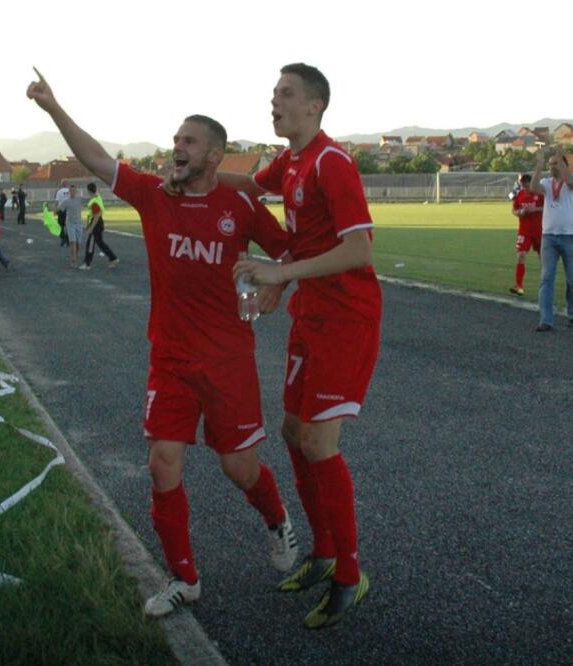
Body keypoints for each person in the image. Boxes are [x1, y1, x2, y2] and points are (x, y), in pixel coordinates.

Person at [27, 67, 299, 618]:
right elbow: (98, 160)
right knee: (161, 464)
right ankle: (184, 579)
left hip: (228, 361)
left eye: (188, 141)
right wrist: (55, 108)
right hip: (170, 359)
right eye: (175, 139)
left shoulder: (241, 205)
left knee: (239, 468)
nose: (177, 148)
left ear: (215, 155)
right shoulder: (155, 195)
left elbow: (290, 250)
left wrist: (277, 285)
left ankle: (278, 521)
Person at [212, 63, 382, 629]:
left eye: (285, 94)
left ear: (315, 106)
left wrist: (282, 273)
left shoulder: (332, 162)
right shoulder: (291, 160)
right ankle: (325, 551)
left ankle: (350, 575)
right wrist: (195, 171)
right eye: (273, 93)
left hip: (347, 318)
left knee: (316, 438)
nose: (274, 101)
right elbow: (247, 184)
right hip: (312, 314)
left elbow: (359, 250)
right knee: (292, 432)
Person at [526, 149, 573, 330]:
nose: (552, 167)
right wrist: (539, 165)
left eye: (555, 164)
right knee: (546, 278)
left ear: (564, 165)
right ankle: (545, 320)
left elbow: (571, 184)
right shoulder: (546, 182)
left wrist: (562, 163)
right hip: (549, 236)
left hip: (570, 236)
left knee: (572, 279)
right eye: (550, 164)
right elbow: (534, 187)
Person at [509, 172, 543, 295]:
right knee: (521, 255)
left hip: (539, 230)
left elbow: (549, 207)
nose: (525, 189)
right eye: (523, 186)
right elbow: (514, 209)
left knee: (543, 258)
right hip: (524, 231)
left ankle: (545, 285)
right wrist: (519, 212)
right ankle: (519, 286)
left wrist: (536, 209)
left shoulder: (540, 194)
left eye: (527, 186)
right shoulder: (520, 195)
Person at [78, 182, 119, 270]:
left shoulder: (94, 202)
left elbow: (96, 216)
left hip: (96, 224)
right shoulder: (98, 197)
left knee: (90, 244)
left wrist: (91, 228)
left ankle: (87, 264)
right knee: (100, 243)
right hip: (99, 223)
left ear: (89, 191)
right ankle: (113, 258)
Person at [57, 185, 88, 267]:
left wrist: (96, 194)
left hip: (79, 224)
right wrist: (49, 208)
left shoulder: (80, 199)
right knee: (73, 242)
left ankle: (75, 256)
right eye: (71, 191)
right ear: (69, 192)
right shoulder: (66, 201)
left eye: (74, 191)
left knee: (78, 243)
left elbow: (91, 199)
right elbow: (59, 209)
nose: (72, 192)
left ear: (76, 192)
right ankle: (74, 260)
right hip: (70, 224)